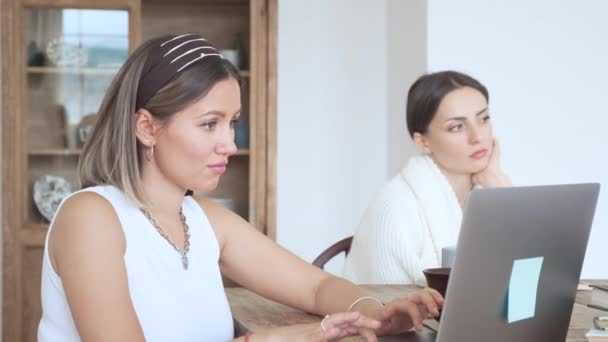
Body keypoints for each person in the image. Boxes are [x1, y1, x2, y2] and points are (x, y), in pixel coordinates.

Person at [37, 33, 443, 342]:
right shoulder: (90, 217)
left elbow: (316, 285)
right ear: (147, 127)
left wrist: (375, 311)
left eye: (232, 122)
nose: (230, 143)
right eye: (209, 123)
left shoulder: (203, 218)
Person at [343, 71, 511, 286]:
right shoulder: (394, 207)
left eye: (483, 119)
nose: (478, 137)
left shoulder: (488, 194)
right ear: (423, 142)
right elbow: (384, 305)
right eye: (456, 127)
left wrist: (502, 189)